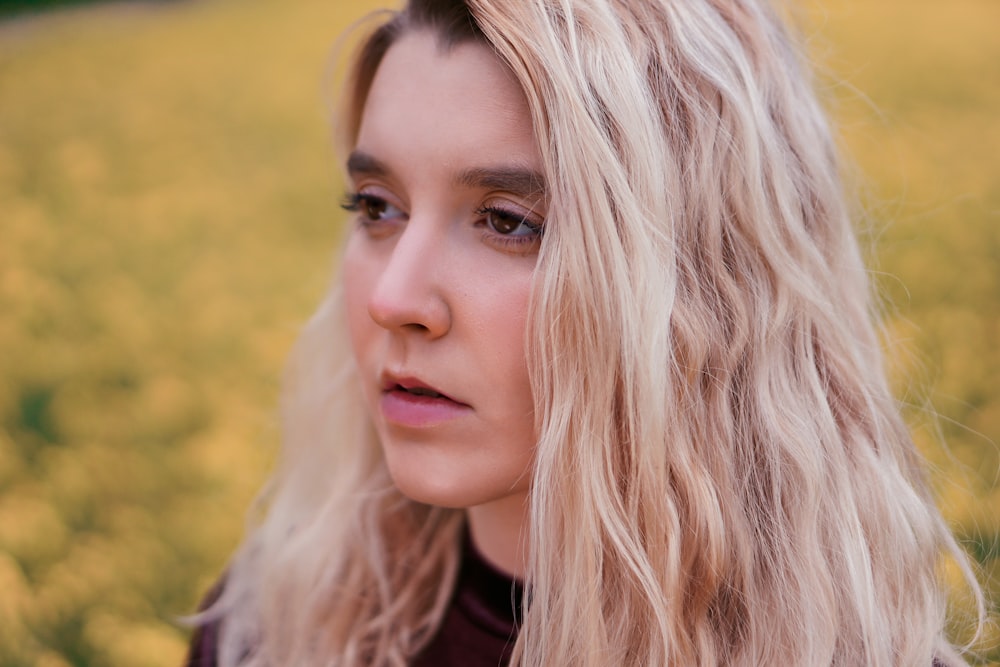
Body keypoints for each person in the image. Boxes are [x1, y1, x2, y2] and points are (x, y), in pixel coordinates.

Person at [186, 0, 984, 664]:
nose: (394, 298)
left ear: (697, 286)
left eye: (507, 220)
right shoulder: (269, 631)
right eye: (376, 206)